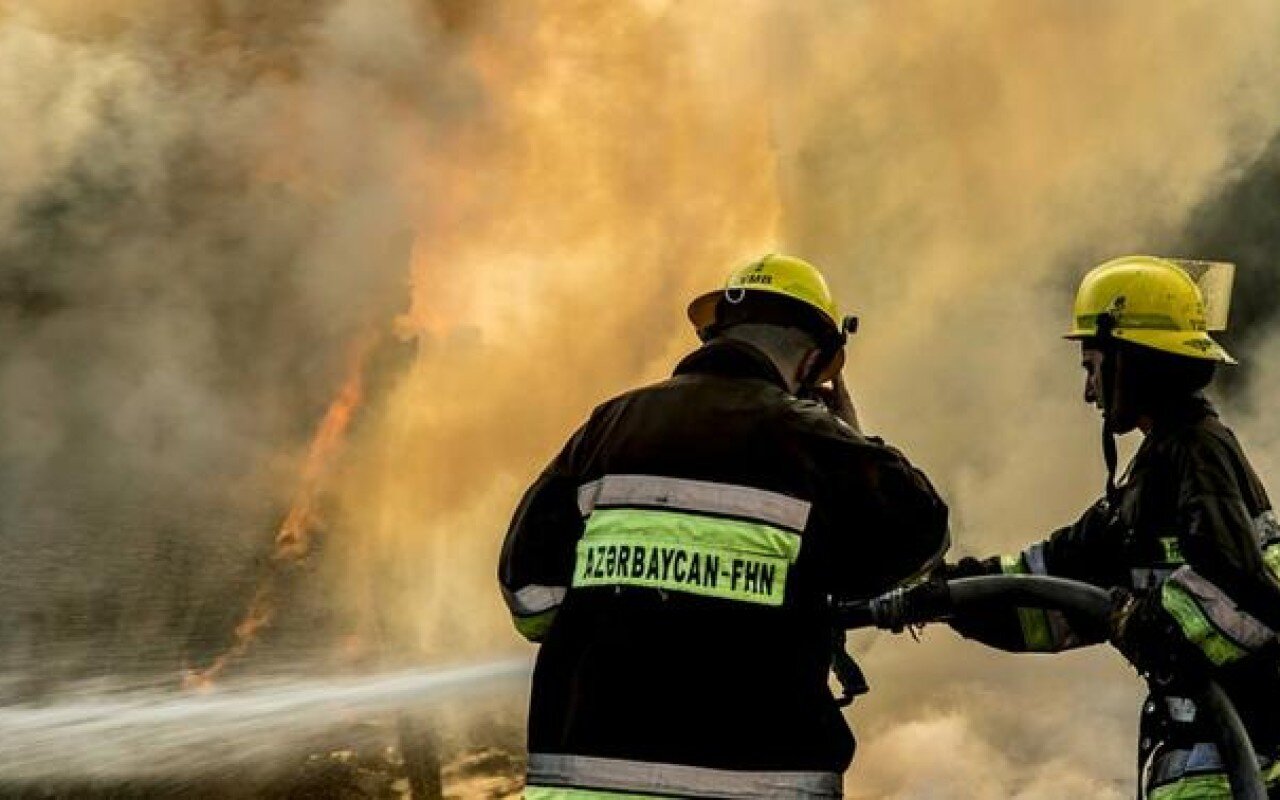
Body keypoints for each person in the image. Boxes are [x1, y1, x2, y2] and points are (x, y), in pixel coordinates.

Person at [499, 254, 949, 799]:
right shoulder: (812, 440)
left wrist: (622, 622)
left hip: (589, 783)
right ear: (813, 364)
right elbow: (922, 537)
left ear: (715, 335)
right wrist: (853, 434)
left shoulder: (609, 425)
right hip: (755, 784)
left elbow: (530, 596)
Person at [944, 255, 1280, 799]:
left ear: (1131, 361)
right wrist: (944, 593)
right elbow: (1052, 584)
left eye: (1091, 367)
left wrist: (1151, 617)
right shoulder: (1154, 471)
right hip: (1198, 765)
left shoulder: (1200, 449)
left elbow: (1245, 586)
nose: (1089, 392)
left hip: (1239, 767)